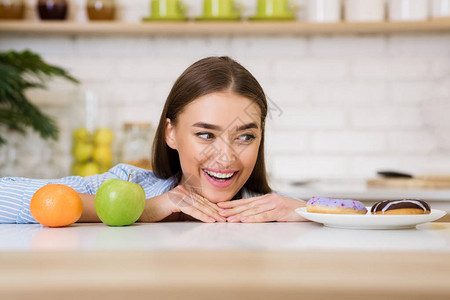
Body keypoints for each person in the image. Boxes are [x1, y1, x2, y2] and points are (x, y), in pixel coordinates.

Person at [0, 56, 306, 224]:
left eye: (244, 136)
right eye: (205, 134)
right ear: (170, 133)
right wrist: (141, 209)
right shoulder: (130, 185)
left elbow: (354, 218)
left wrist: (308, 212)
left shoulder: (270, 210)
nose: (225, 157)